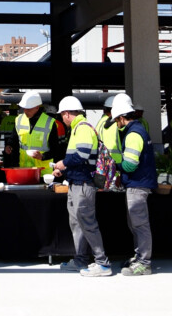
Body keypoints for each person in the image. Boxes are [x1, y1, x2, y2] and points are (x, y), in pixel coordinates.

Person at [52, 96, 111, 277]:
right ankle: (80, 260)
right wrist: (64, 170)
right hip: (77, 182)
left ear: (67, 113)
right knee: (77, 223)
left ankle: (102, 263)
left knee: (87, 223)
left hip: (84, 184)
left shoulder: (83, 129)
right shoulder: (78, 128)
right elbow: (78, 159)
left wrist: (63, 163)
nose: (62, 118)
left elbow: (82, 155)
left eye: (62, 115)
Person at [112, 94, 157, 276]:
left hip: (138, 185)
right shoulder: (137, 130)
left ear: (122, 117)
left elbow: (130, 164)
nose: (116, 122)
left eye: (116, 119)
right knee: (136, 224)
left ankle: (144, 262)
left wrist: (113, 167)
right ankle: (140, 257)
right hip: (138, 183)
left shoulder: (133, 134)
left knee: (139, 224)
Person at [16, 90, 60, 175]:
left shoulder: (49, 122)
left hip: (43, 173)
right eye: (24, 108)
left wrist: (43, 156)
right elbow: (13, 140)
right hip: (25, 170)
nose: (25, 111)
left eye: (28, 108)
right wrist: (9, 146)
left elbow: (56, 149)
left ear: (37, 107)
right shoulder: (19, 119)